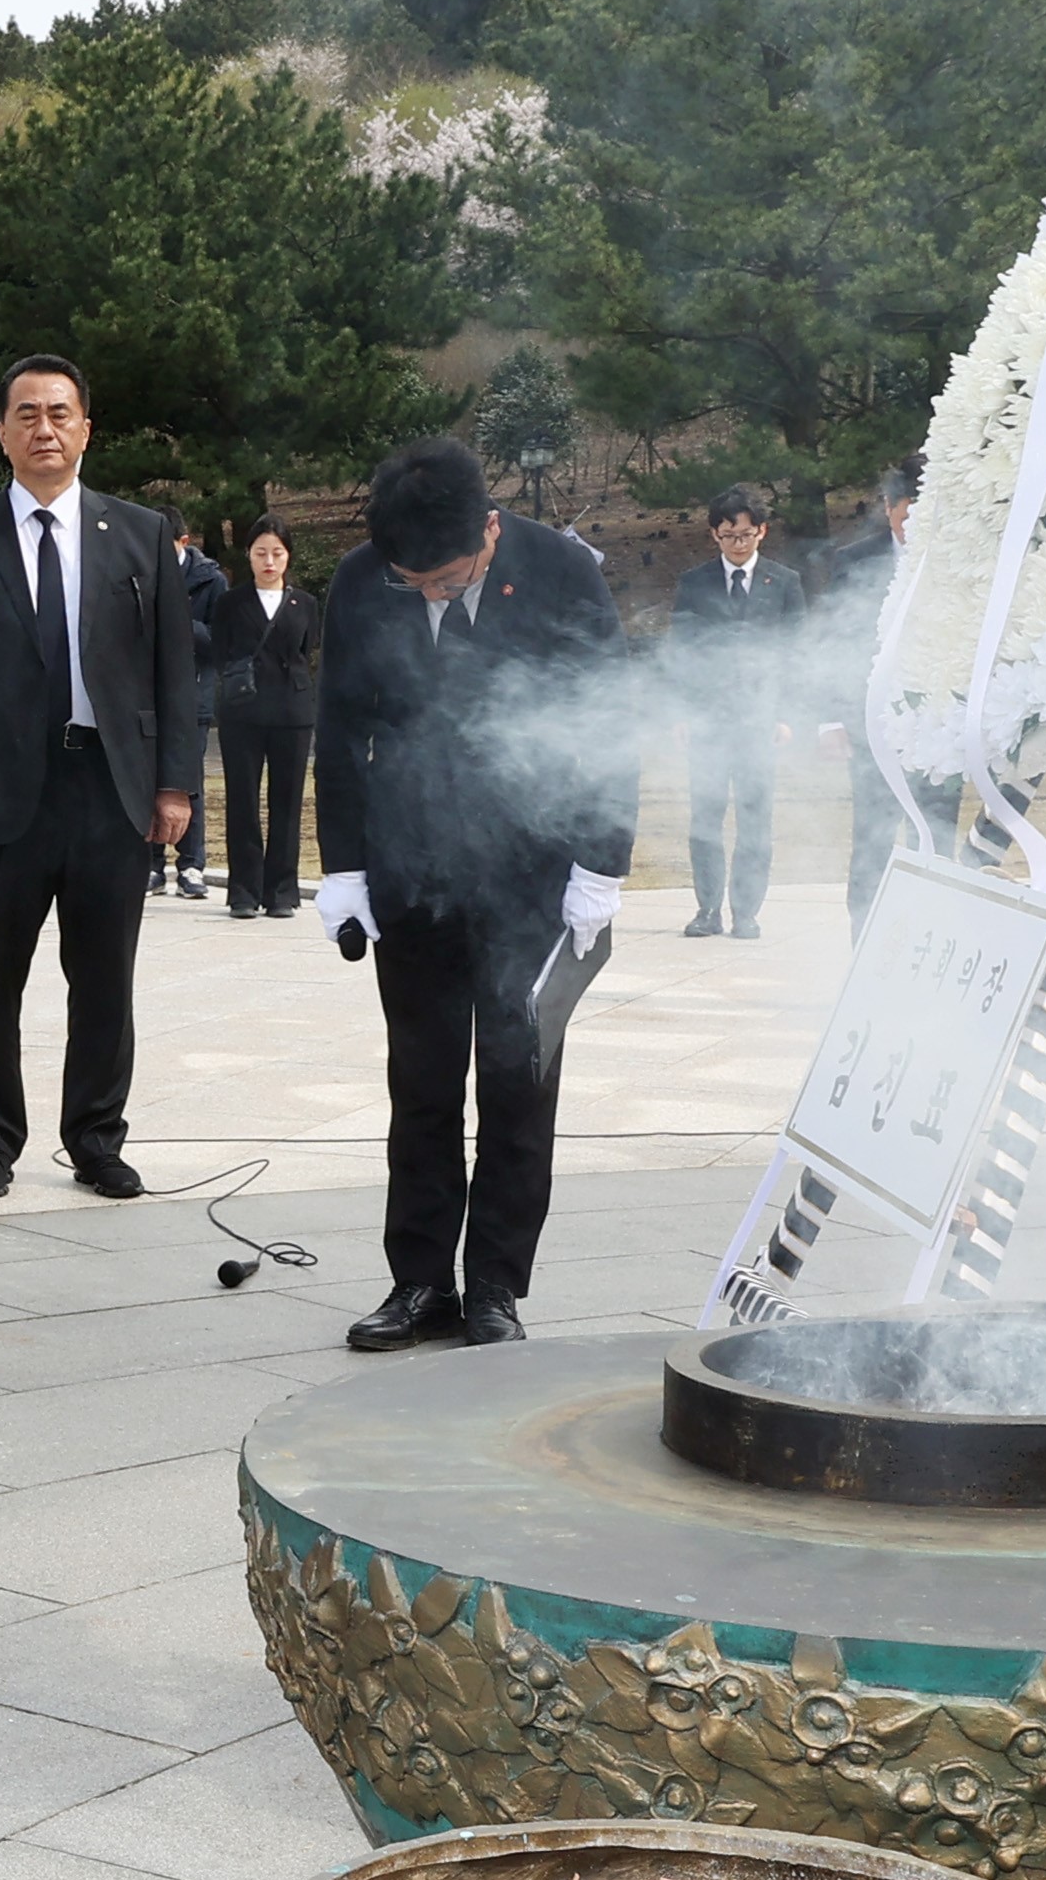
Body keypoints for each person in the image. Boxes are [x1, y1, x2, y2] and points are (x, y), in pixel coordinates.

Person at [314, 440, 634, 1352]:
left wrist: (599, 865)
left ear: (488, 532)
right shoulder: (361, 579)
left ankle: (494, 1283)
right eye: (412, 582)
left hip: (531, 872)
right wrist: (342, 869)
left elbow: (610, 720)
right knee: (419, 1083)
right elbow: (338, 726)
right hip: (410, 865)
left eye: (445, 579)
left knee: (516, 1084)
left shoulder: (562, 570)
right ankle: (418, 1281)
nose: (428, 596)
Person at [0, 355, 200, 1199]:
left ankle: (96, 1138)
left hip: (110, 787)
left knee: (105, 977)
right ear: (1, 431)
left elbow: (175, 672)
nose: (44, 429)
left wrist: (173, 784)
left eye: (60, 413)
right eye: (26, 414)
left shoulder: (140, 534)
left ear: (85, 429)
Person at [819, 465, 961, 932]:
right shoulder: (853, 560)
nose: (918, 521)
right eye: (909, 510)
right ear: (888, 508)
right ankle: (864, 941)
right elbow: (831, 641)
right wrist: (831, 719)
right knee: (873, 838)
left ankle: (931, 936)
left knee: (939, 838)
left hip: (941, 727)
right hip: (873, 727)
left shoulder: (962, 561)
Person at [669, 485, 802, 939]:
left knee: (755, 818)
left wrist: (786, 715)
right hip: (707, 721)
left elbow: (795, 655)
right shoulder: (694, 583)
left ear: (761, 532)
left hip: (760, 721)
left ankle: (746, 911)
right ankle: (708, 909)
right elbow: (680, 652)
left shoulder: (785, 583)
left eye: (746, 534)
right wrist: (682, 712)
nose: (738, 544)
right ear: (715, 536)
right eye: (729, 536)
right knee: (705, 816)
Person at [206, 516, 320, 918]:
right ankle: (242, 892)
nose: (269, 561)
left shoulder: (304, 602)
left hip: (292, 711)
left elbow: (306, 650)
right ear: (249, 555)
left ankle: (282, 892)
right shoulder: (230, 602)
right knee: (242, 801)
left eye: (277, 553)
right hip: (243, 713)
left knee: (287, 803)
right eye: (260, 553)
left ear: (288, 556)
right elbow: (220, 652)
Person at [155, 531, 226, 901]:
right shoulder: (140, 572)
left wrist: (183, 620)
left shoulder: (211, 580)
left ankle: (191, 863)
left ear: (184, 541)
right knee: (147, 781)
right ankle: (152, 864)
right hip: (147, 698)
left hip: (192, 695)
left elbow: (223, 640)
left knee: (188, 781)